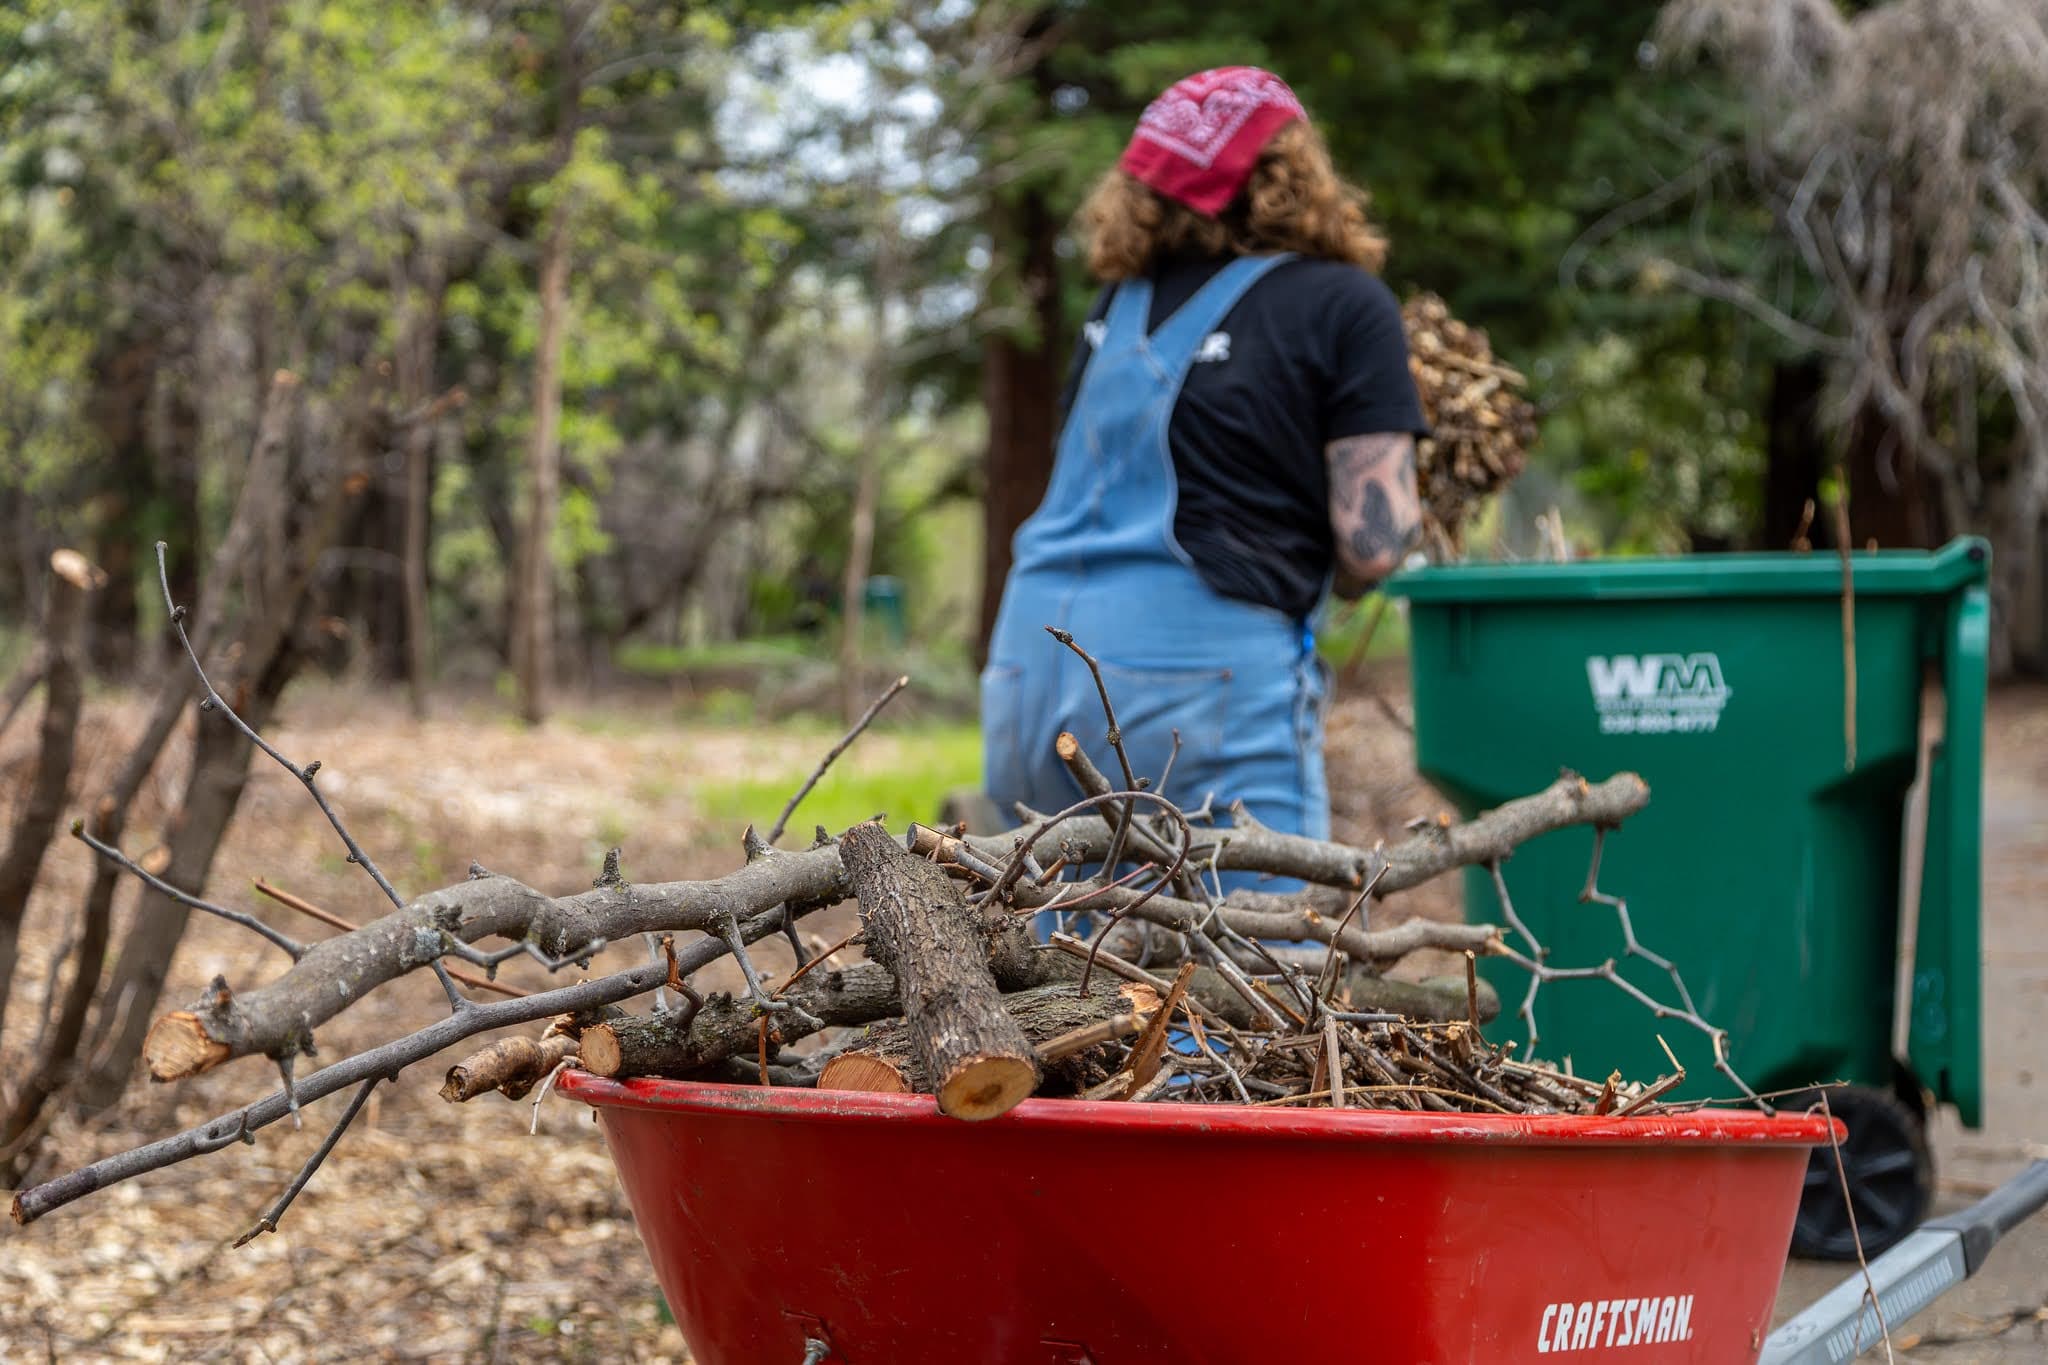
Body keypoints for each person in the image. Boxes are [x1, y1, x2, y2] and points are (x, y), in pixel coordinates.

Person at [980, 66, 1426, 889]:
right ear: (1297, 169)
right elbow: (1374, 544)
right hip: (1195, 680)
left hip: (1028, 667)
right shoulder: (1343, 303)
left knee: (1064, 952)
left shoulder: (1115, 306)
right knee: (1248, 952)